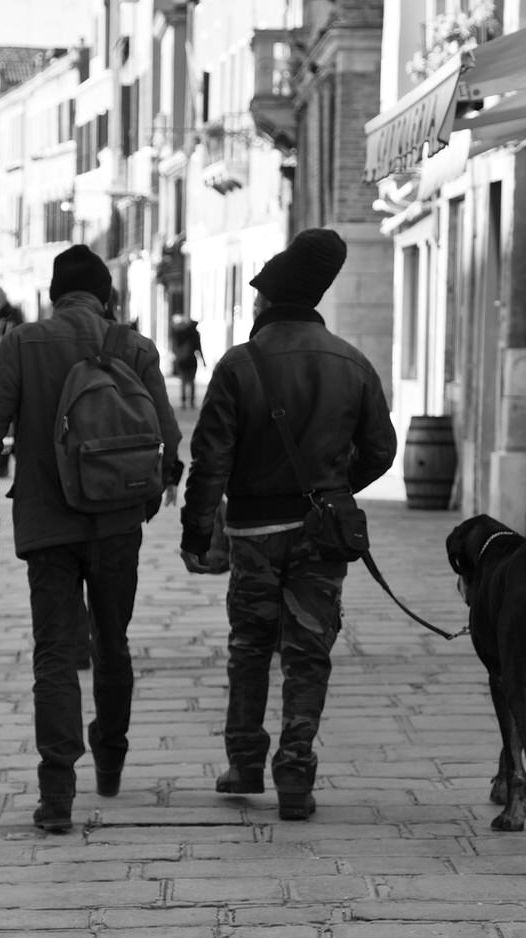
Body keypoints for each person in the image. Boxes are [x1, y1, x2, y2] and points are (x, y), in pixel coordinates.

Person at [0, 245, 182, 833]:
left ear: (55, 295)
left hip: (47, 525)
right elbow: (169, 437)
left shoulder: (22, 344)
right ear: (107, 297)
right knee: (113, 642)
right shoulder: (135, 348)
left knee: (55, 655)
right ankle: (110, 762)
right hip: (116, 525)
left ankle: (56, 793)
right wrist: (144, 499)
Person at [178, 229, 397, 821]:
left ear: (269, 302)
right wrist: (333, 488)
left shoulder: (237, 365)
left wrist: (198, 532)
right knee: (309, 652)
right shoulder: (352, 363)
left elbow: (210, 461)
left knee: (250, 648)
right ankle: (296, 770)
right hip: (321, 533)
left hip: (253, 534)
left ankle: (246, 763)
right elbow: (381, 450)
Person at [169, 314, 204, 410]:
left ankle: (184, 401)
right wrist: (203, 360)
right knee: (192, 381)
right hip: (192, 360)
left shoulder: (180, 333)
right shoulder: (195, 334)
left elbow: (175, 346)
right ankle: (191, 401)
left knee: (184, 381)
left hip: (182, 360)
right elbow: (199, 348)